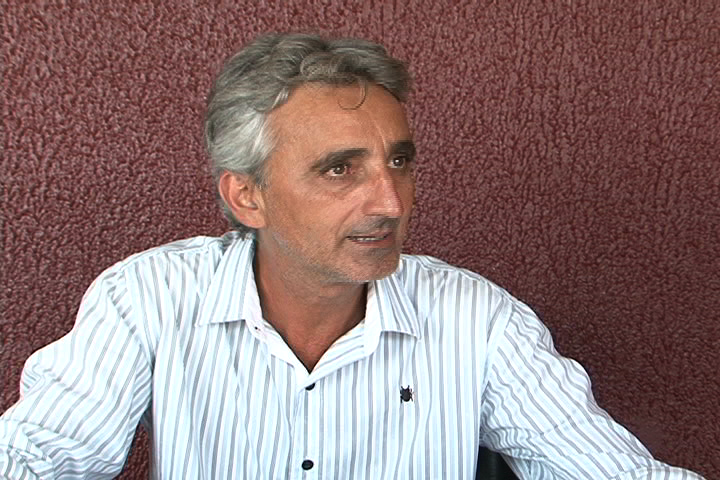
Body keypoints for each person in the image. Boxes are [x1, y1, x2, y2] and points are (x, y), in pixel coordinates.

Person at [0, 33, 704, 480]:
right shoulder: (148, 298)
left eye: (399, 161)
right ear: (248, 196)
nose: (391, 202)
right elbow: (38, 454)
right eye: (340, 169)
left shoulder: (478, 319)